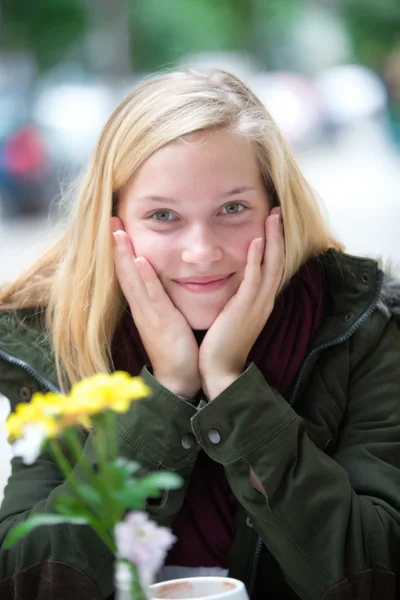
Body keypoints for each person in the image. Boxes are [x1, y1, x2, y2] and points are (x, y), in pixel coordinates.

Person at [0, 68, 399, 600]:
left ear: (276, 211)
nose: (201, 251)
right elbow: (32, 582)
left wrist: (233, 388)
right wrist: (165, 393)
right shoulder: (58, 339)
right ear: (114, 223)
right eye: (163, 216)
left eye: (232, 209)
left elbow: (372, 576)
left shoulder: (358, 326)